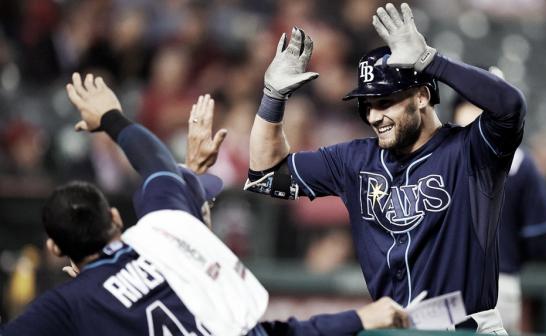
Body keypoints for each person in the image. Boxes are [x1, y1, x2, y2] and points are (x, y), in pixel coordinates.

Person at [0, 73, 409, 335]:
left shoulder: (70, 305)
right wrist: (111, 116)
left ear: (54, 248)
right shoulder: (163, 234)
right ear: (113, 217)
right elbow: (156, 163)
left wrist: (192, 176)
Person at [245, 3, 526, 334]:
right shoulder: (354, 159)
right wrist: (273, 97)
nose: (374, 116)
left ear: (421, 96)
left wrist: (431, 62)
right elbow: (265, 176)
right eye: (367, 105)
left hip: (465, 328)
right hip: (396, 329)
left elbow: (510, 107)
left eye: (384, 102)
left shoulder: (472, 150)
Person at [452, 90, 546, 333]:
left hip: (445, 284)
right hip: (501, 283)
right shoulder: (520, 162)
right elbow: (539, 242)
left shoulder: (436, 155)